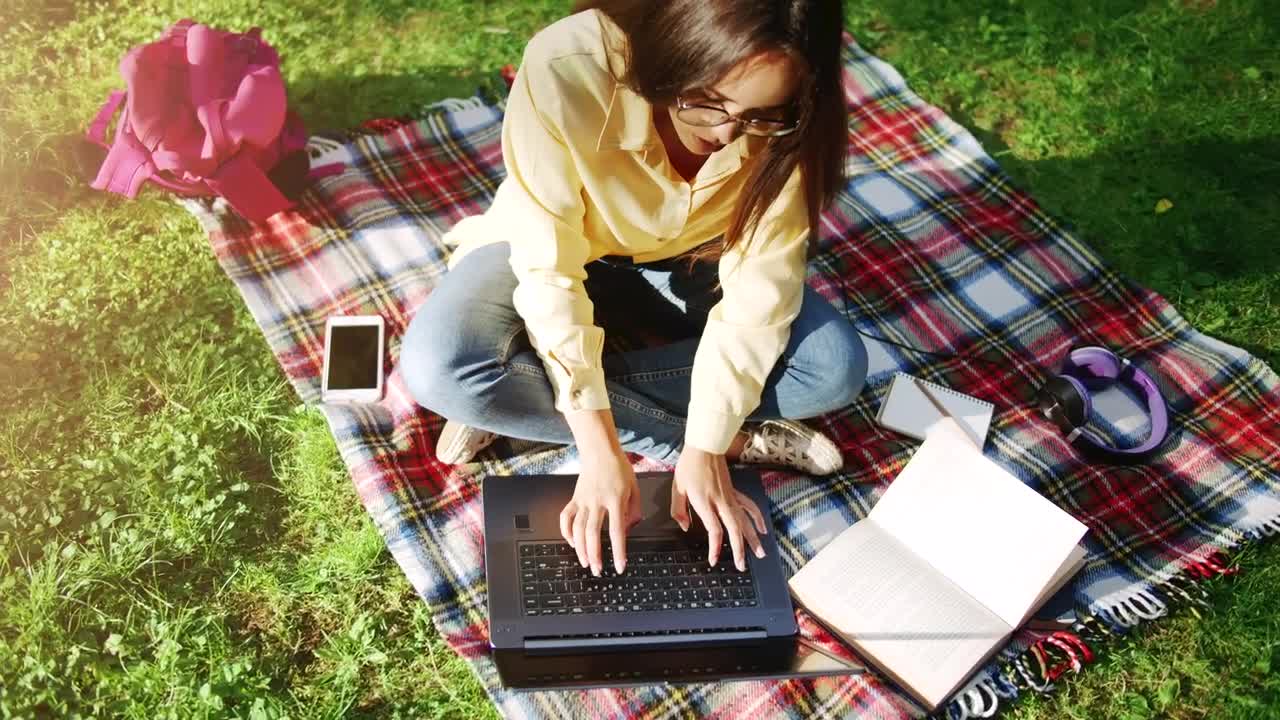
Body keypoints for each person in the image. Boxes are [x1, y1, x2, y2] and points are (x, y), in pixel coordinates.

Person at [401, 0, 867, 579]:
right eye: (707, 99)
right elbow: (549, 270)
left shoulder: (795, 123)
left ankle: (517, 395)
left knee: (833, 368)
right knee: (440, 367)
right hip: (557, 246)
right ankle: (731, 441)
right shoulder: (569, 65)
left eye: (758, 115)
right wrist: (613, 451)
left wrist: (704, 444)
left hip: (690, 261)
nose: (725, 134)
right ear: (677, 45)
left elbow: (758, 299)